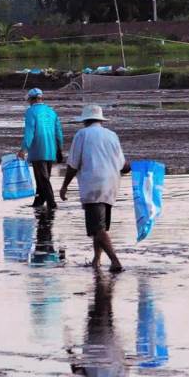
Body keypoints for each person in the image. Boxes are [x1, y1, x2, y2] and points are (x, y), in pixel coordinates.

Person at [60, 104, 130, 272]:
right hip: (112, 184)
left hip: (93, 185)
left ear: (85, 121)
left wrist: (64, 186)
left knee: (97, 228)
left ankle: (115, 261)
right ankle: (97, 259)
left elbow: (73, 164)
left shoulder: (82, 135)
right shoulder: (112, 135)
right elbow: (123, 165)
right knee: (101, 227)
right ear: (100, 119)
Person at [18, 88, 64, 211]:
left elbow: (29, 132)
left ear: (31, 99)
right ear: (41, 98)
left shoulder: (31, 112)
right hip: (51, 149)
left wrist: (23, 149)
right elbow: (58, 132)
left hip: (38, 149)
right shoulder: (51, 112)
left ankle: (52, 204)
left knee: (43, 178)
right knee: (43, 178)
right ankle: (38, 203)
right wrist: (59, 149)